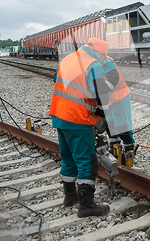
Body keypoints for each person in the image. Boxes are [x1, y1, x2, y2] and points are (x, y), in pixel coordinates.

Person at [49, 39, 111, 218]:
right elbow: (102, 97)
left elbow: (59, 82)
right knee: (87, 162)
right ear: (100, 54)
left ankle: (69, 196)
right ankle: (86, 205)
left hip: (60, 117)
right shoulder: (94, 64)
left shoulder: (68, 59)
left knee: (68, 158)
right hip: (78, 119)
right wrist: (103, 116)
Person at [85, 38, 135, 167]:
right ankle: (115, 150)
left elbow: (112, 79)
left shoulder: (107, 62)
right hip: (109, 100)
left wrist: (100, 94)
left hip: (119, 98)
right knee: (110, 126)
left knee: (122, 126)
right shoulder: (94, 62)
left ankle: (129, 153)